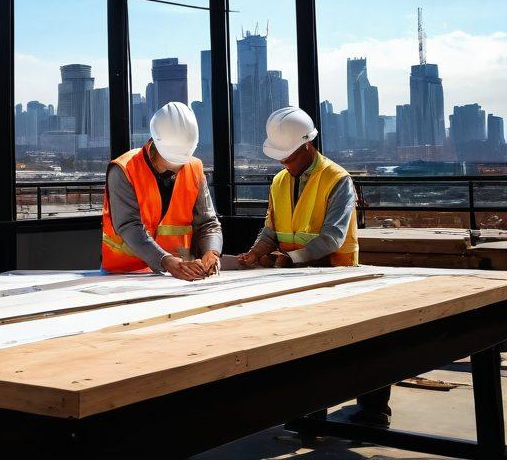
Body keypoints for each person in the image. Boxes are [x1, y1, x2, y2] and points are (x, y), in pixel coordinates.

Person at [237, 106, 390, 428]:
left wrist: (291, 258)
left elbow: (333, 236)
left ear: (307, 146)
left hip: (337, 274)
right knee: (304, 348)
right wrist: (256, 252)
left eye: (288, 156)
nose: (283, 162)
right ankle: (309, 409)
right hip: (294, 275)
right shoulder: (280, 180)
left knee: (361, 344)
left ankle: (374, 410)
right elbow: (272, 228)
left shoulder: (337, 179)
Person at [101, 102, 222, 280]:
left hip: (178, 275)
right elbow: (128, 226)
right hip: (126, 274)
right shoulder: (124, 169)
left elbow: (207, 223)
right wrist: (165, 260)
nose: (180, 164)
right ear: (156, 144)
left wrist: (212, 252)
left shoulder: (194, 167)